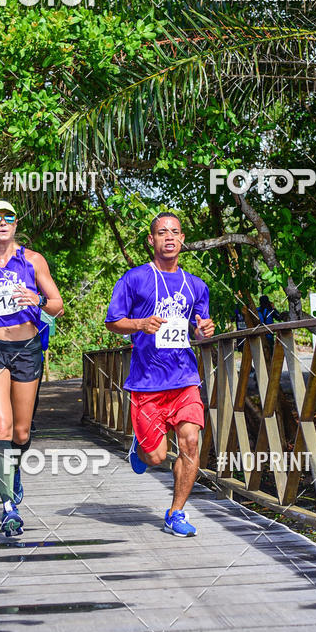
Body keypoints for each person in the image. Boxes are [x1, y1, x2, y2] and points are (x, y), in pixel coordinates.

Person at [105, 212, 215, 537]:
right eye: (162, 232)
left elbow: (200, 330)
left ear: (182, 240)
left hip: (184, 379)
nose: (170, 237)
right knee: (154, 457)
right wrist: (140, 324)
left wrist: (205, 330)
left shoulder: (197, 286)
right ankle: (139, 446)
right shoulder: (134, 279)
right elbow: (113, 322)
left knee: (191, 443)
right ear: (151, 241)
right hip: (146, 382)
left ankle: (176, 513)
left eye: (176, 232)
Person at [0, 200, 64, 536]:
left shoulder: (33, 260)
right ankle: (9, 508)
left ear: (15, 224)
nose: (2, 222)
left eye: (8, 217)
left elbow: (58, 304)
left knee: (20, 432)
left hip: (26, 348)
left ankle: (13, 467)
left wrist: (37, 300)